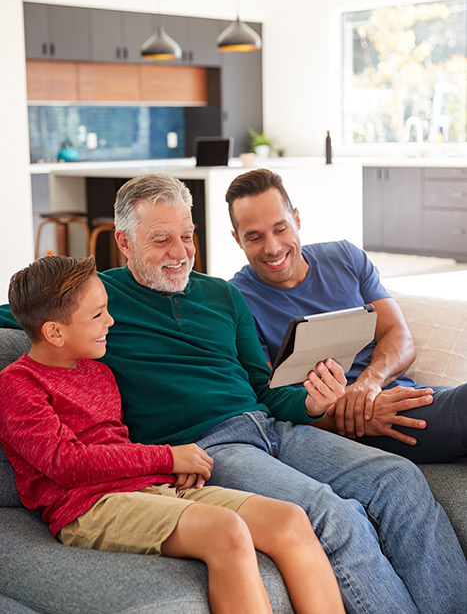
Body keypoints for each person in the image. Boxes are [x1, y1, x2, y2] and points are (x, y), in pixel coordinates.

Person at [0, 173, 466, 614]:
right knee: (332, 515)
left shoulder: (223, 295)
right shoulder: (96, 301)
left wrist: (310, 403)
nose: (180, 252)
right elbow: (30, 316)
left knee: (399, 480)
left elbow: (263, 389)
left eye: (187, 235)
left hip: (270, 428)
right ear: (124, 242)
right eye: (161, 239)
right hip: (207, 446)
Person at [0, 254, 346, 614]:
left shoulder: (98, 372)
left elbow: (116, 445)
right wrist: (167, 456)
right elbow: (65, 462)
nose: (111, 321)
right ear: (55, 332)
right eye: (98, 314)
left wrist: (166, 470)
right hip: (86, 508)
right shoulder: (18, 384)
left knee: (289, 520)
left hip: (145, 487)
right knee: (224, 529)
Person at [225, 168, 467, 464]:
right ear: (237, 240)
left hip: (396, 394)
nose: (273, 248)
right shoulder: (235, 300)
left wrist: (369, 384)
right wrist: (353, 415)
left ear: (297, 219)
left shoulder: (345, 258)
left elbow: (398, 335)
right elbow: (267, 398)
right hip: (352, 425)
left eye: (280, 229)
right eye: (255, 237)